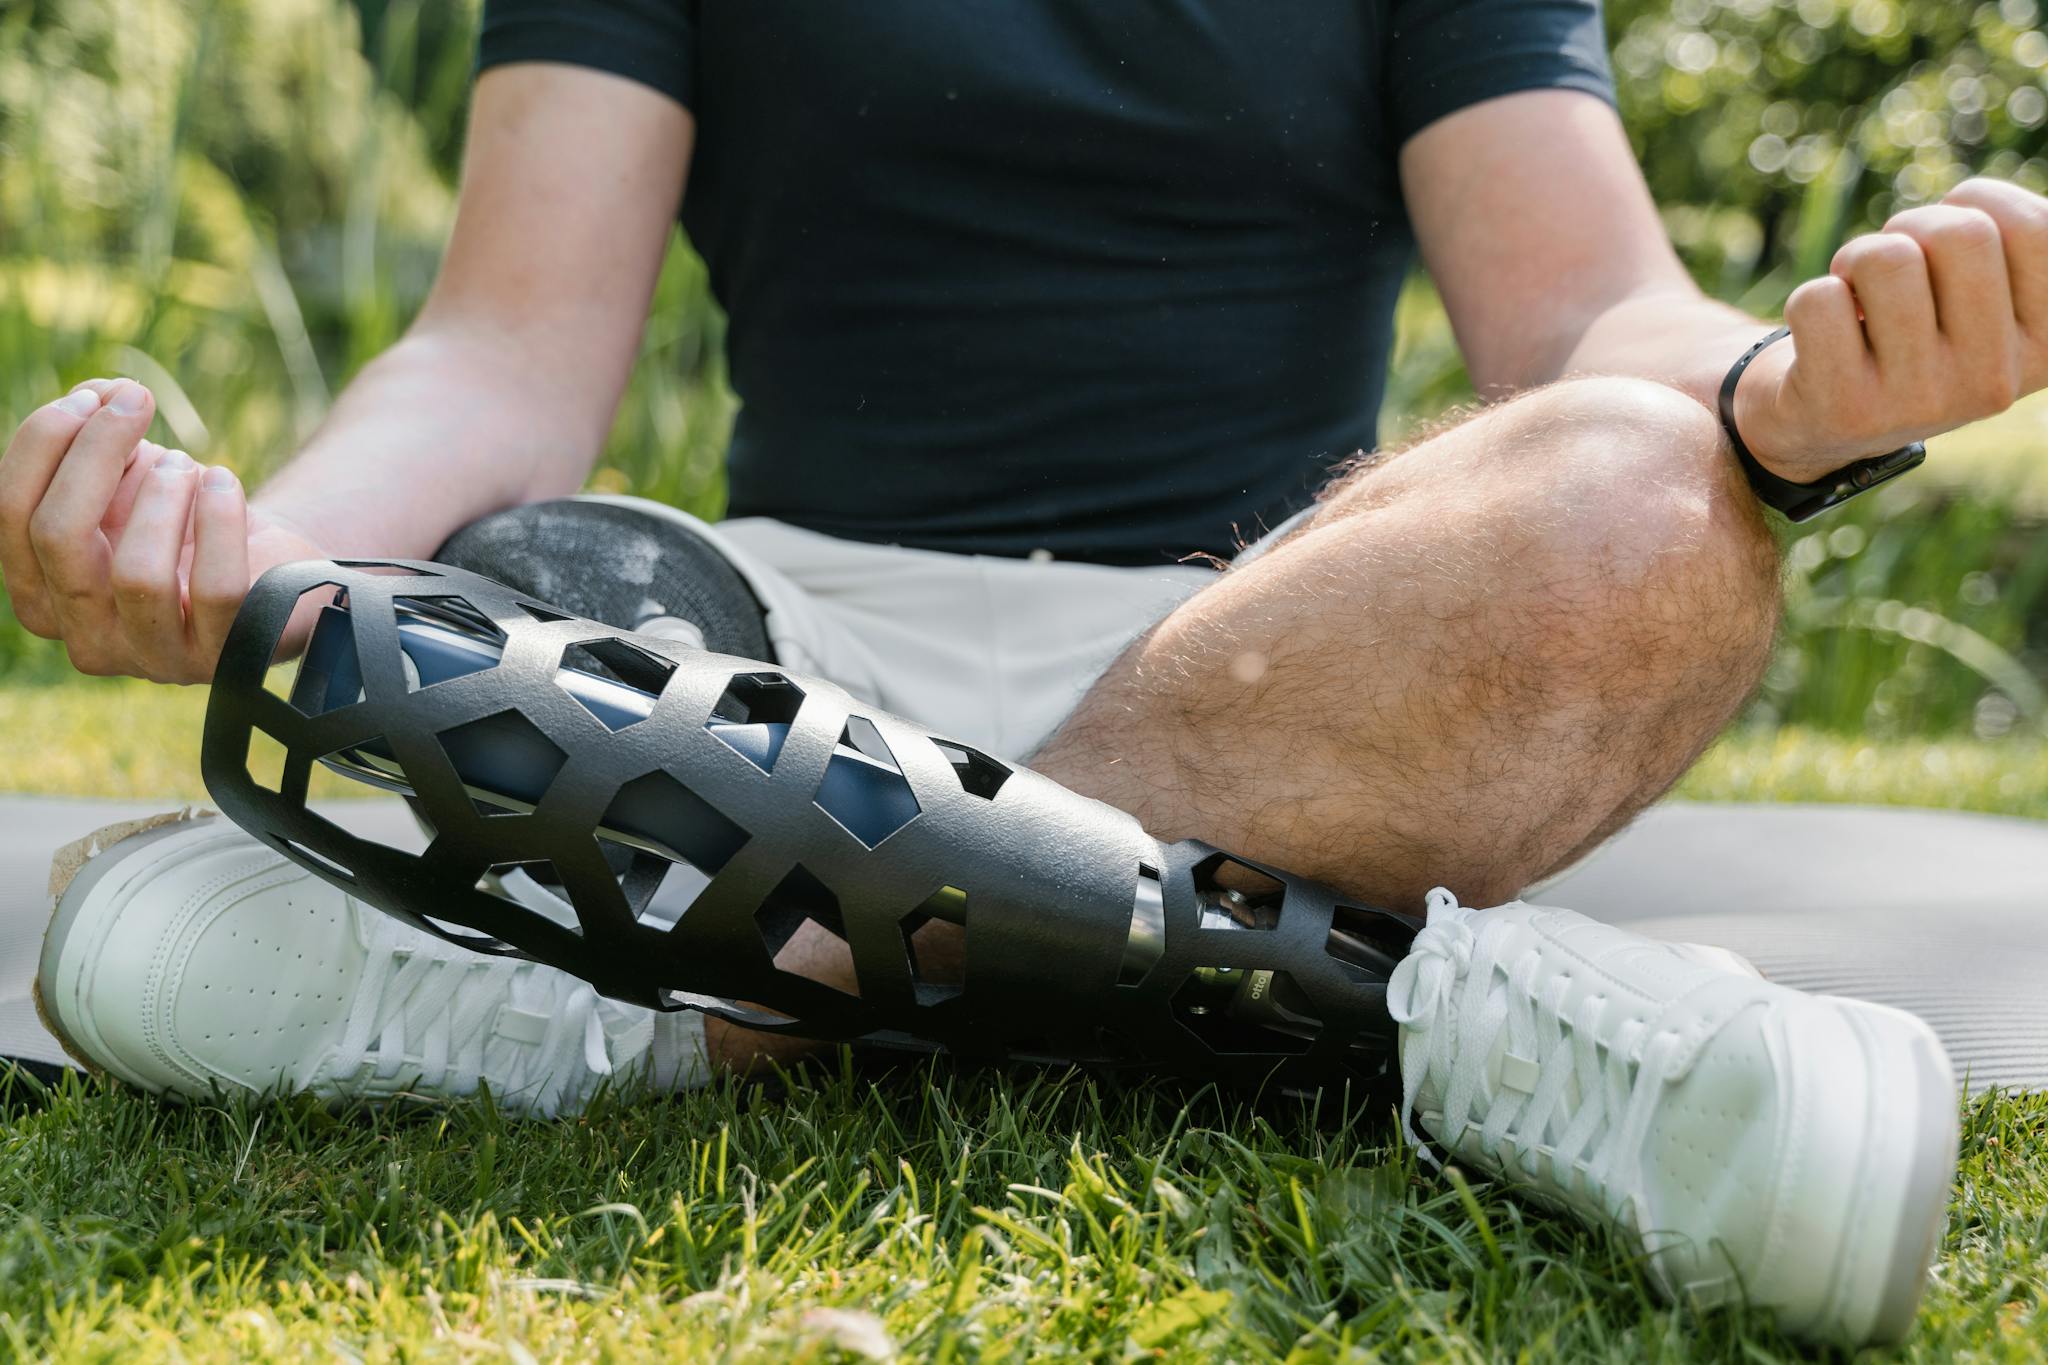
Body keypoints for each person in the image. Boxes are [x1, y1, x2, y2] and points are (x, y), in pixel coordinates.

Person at [6, 0, 2045, 1344]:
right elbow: (502, 355)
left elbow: (1596, 310)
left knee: (1640, 504)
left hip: (1259, 660)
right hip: (778, 674)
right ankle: (1385, 1003)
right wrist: (261, 562)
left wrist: (1782, 406)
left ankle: (676, 1000)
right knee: (532, 577)